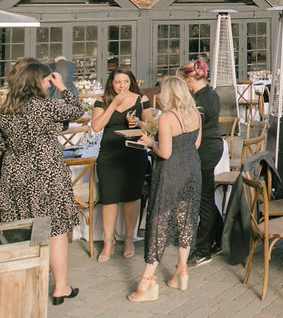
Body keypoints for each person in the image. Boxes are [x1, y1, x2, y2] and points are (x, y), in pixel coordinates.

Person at [0, 59, 81, 305]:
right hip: (46, 174)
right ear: (37, 81)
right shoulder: (43, 107)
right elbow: (76, 110)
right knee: (55, 231)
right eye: (47, 80)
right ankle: (61, 286)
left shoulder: (5, 110)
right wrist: (64, 86)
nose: (49, 83)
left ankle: (26, 284)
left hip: (14, 174)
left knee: (22, 232)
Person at [129, 76, 203, 302]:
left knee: (159, 221)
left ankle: (146, 282)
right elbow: (196, 144)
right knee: (185, 220)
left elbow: (165, 153)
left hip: (171, 172)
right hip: (192, 169)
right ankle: (182, 272)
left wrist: (151, 143)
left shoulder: (167, 118)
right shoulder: (196, 113)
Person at [91, 67, 154, 262]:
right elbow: (96, 126)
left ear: (131, 82)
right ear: (112, 83)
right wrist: (113, 105)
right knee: (109, 198)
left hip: (133, 152)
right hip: (109, 153)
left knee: (131, 197)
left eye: (125, 82)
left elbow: (152, 127)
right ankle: (108, 242)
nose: (122, 86)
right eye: (118, 82)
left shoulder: (141, 100)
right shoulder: (102, 101)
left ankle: (128, 239)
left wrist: (138, 122)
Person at [178, 58, 222, 265]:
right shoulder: (210, 93)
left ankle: (203, 250)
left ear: (189, 80)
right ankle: (220, 237)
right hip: (212, 146)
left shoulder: (199, 100)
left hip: (205, 149)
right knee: (206, 197)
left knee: (202, 200)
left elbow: (193, 128)